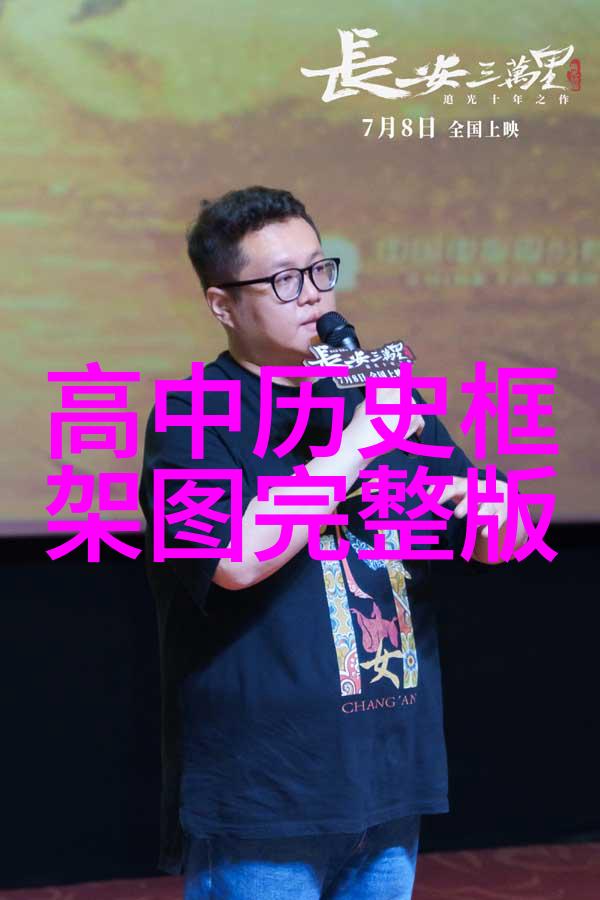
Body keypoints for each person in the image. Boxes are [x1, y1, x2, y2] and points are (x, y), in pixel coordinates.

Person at [139, 185, 525, 899]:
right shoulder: (192, 414)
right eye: (284, 280)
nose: (314, 293)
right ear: (223, 305)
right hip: (267, 789)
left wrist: (494, 512)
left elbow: (489, 537)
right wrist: (353, 451)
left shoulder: (376, 394)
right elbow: (232, 560)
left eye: (321, 269)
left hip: (388, 767)